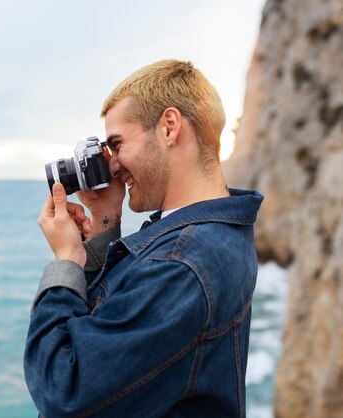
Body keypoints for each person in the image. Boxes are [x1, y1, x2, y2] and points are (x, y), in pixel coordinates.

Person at [24, 60, 264, 417]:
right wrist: (105, 223)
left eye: (117, 144)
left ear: (169, 127)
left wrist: (67, 261)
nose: (113, 166)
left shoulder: (179, 264)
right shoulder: (213, 230)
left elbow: (64, 386)